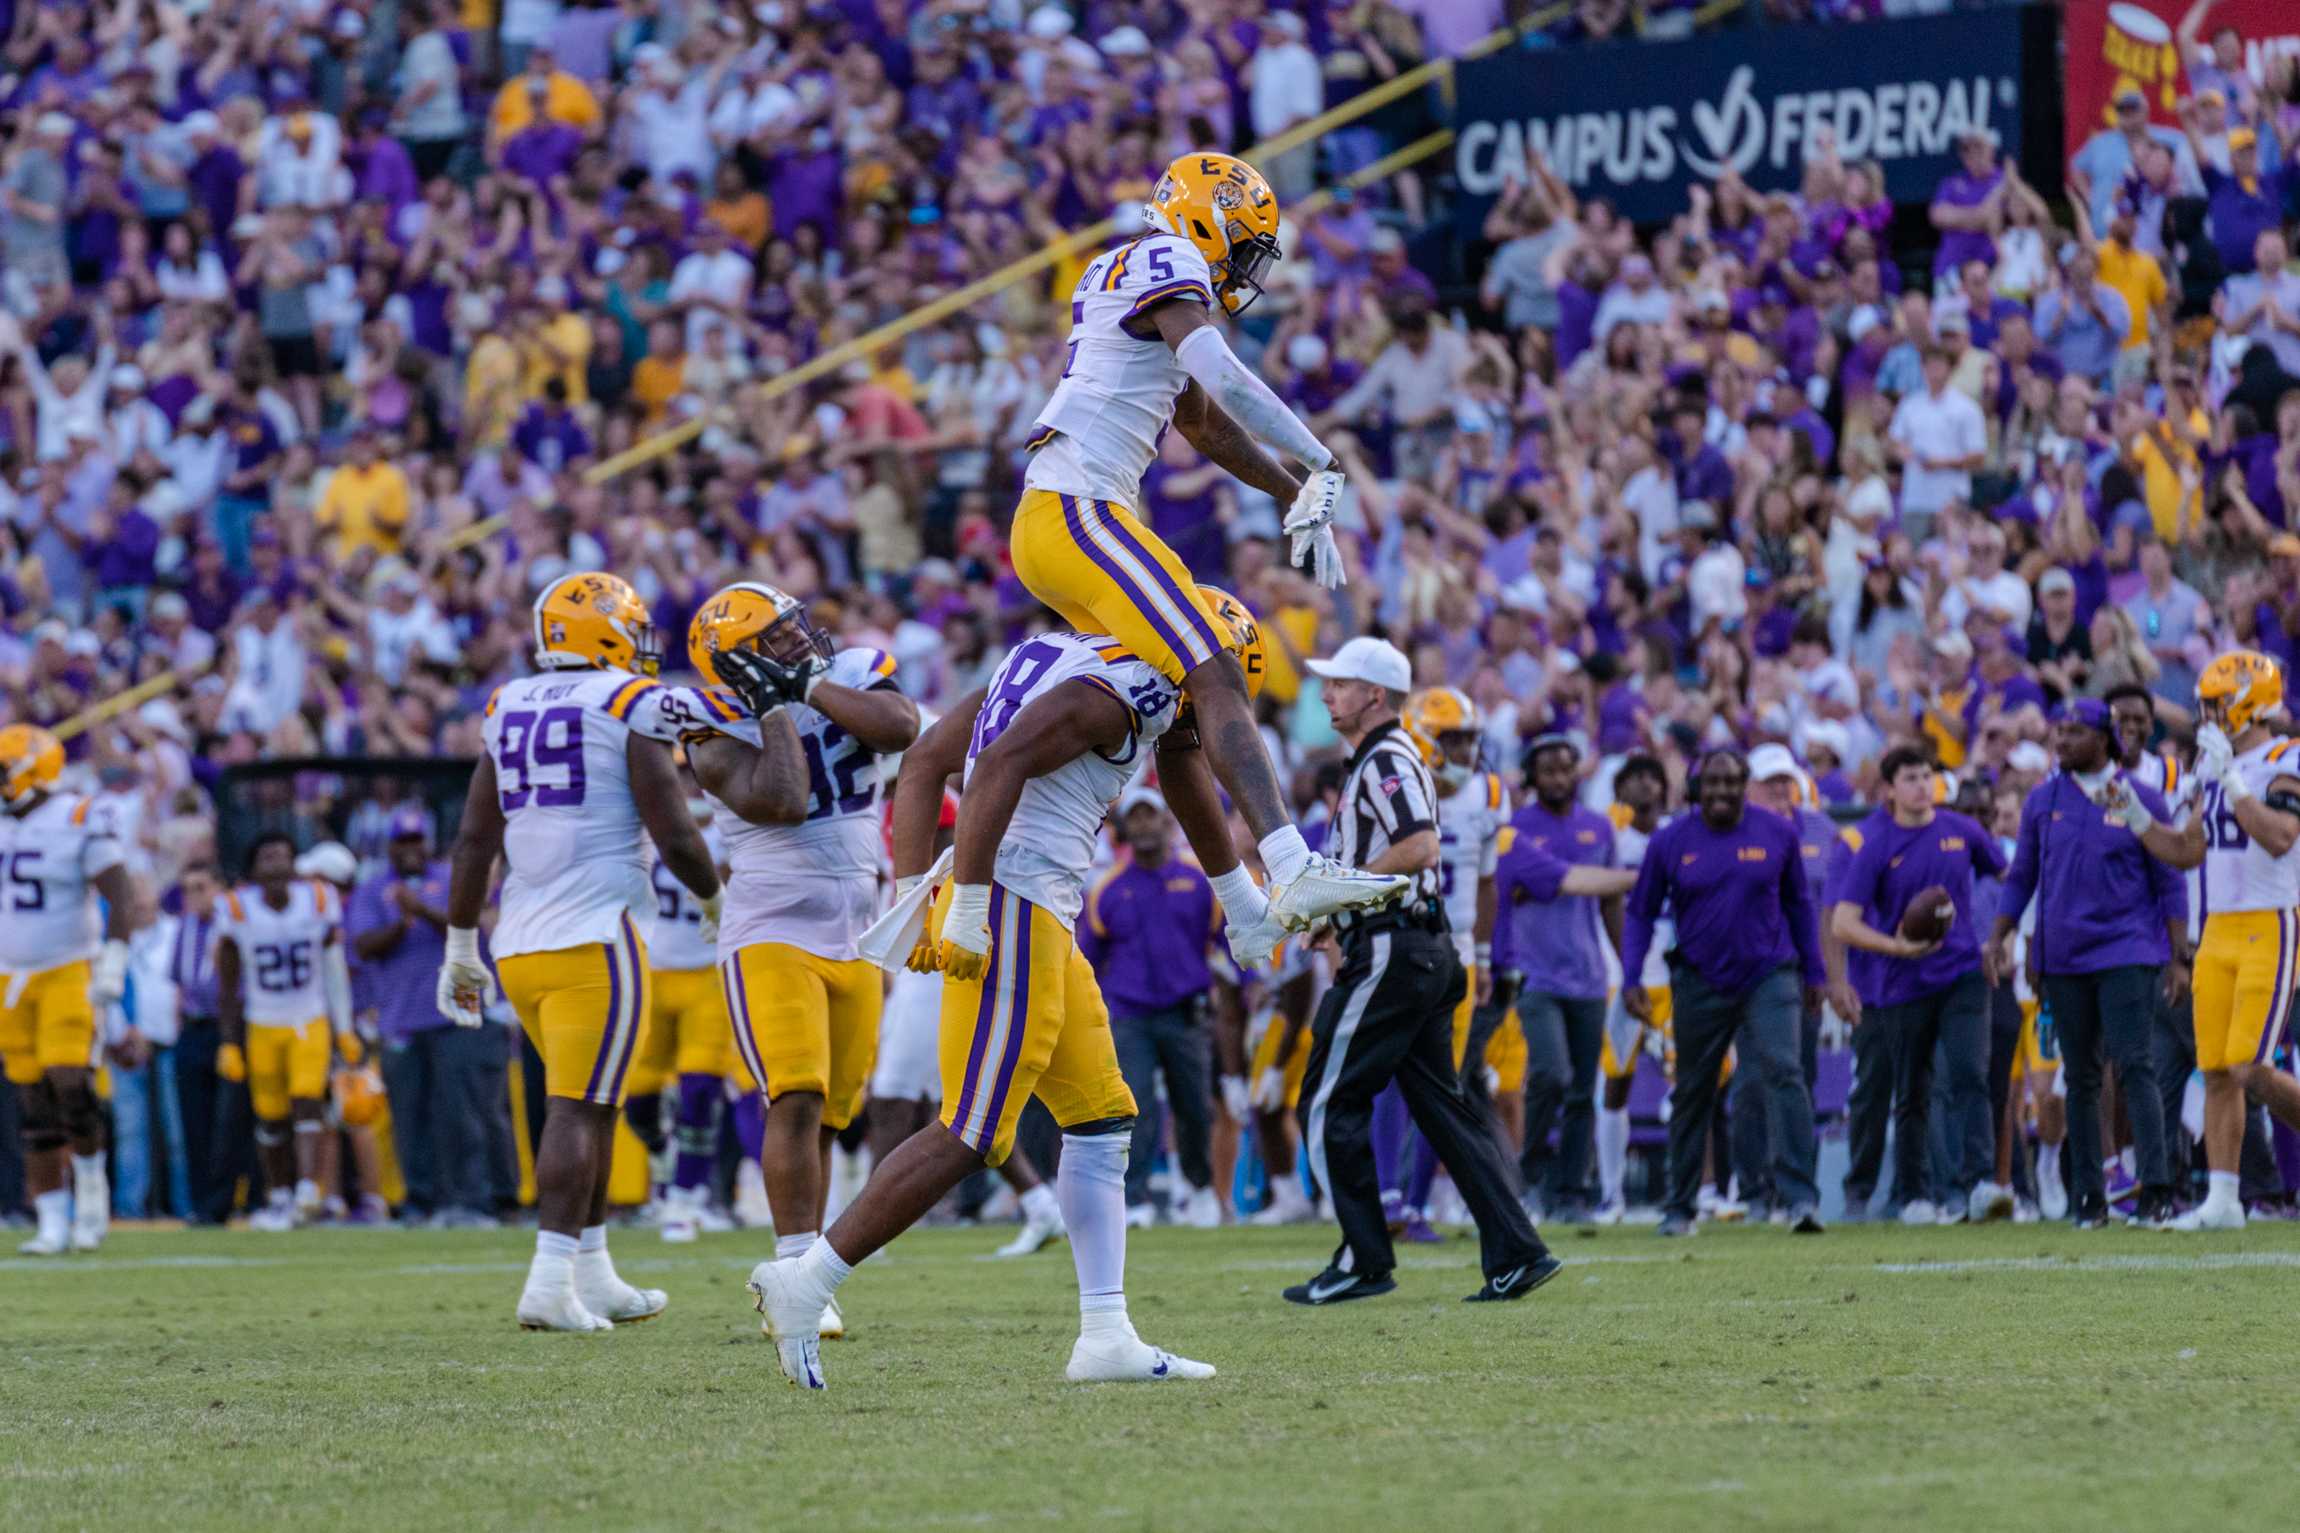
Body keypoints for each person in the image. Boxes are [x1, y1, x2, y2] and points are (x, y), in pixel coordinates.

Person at [749, 604, 1265, 1389]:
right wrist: (961, 900)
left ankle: (1106, 1330)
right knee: (972, 1130)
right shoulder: (1125, 686)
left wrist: (912, 889)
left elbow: (924, 761)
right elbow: (994, 768)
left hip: (1032, 902)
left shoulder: (1059, 653)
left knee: (1100, 1116)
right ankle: (806, 1280)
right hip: (1013, 901)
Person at [1009, 151, 1405, 940]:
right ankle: (1291, 864)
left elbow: (1203, 420)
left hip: (1068, 516)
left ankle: (1246, 910)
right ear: (1207, 215)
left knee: (1182, 709)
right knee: (1216, 662)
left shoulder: (1137, 275)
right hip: (1077, 510)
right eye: (1245, 243)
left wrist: (1293, 492)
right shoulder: (1166, 256)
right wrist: (1320, 456)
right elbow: (1217, 371)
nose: (1245, 266)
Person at [438, 572, 724, 1331]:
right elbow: (674, 829)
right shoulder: (624, 701)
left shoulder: (506, 703)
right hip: (595, 937)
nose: (639, 645)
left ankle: (592, 1273)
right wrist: (714, 897)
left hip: (520, 943)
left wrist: (459, 941)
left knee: (591, 1104)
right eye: (629, 629)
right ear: (601, 631)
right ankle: (548, 1277)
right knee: (578, 1107)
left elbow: (473, 839)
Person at [1280, 637, 1558, 1307]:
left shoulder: (1385, 758)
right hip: (1418, 945)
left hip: (1393, 950)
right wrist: (1333, 912)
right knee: (1444, 1107)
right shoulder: (1382, 758)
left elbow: (1418, 846)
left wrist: (1338, 891)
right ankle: (1518, 1249)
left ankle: (1363, 1256)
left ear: (1374, 694)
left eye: (1340, 683)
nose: (1326, 695)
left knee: (1325, 1097)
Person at [683, 580, 920, 1335]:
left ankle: (809, 1269)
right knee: (796, 1092)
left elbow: (900, 727)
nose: (798, 639)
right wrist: (774, 707)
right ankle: (795, 1268)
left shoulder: (846, 669)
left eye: (794, 627)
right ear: (738, 661)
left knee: (830, 1112)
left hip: (856, 927)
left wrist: (810, 682)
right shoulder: (708, 721)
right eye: (777, 638)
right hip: (770, 926)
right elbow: (781, 798)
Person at [1988, 699, 2186, 1228]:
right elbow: (2024, 875)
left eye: (2074, 732)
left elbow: (2169, 880)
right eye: (2059, 731)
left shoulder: (2139, 797)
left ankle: (2156, 1187)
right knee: (2079, 1077)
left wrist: (2179, 956)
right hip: (2065, 957)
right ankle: (2089, 1198)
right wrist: (2002, 937)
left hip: (2128, 949)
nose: (2062, 741)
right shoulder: (2041, 800)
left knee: (2134, 1064)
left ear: (2105, 738)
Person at [1620, 748, 1827, 1238]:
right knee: (1694, 1088)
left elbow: (1800, 904)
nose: (1721, 792)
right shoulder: (1671, 841)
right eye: (1711, 784)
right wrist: (1631, 976)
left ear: (1744, 785)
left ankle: (1800, 1199)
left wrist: (1815, 973)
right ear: (1696, 789)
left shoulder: (1777, 833)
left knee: (1785, 1070)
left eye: (1731, 782)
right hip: (1698, 976)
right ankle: (1681, 1205)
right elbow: (1640, 912)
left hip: (1769, 972)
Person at [1829, 747, 2011, 1225]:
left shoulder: (1962, 830)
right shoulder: (1875, 845)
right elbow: (1843, 923)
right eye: (1909, 777)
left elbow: (2010, 877)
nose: (1920, 785)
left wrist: (2000, 937)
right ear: (1889, 788)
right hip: (1902, 983)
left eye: (1926, 775)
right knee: (1911, 1090)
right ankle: (1915, 1194)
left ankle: (1980, 1184)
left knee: (1971, 1073)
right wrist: (1896, 947)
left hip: (1962, 974)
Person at [2165, 653, 2300, 1230]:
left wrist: (2233, 779)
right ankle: (2223, 1200)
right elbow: (2190, 849)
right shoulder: (2218, 762)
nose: (2207, 715)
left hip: (2270, 920)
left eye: (2217, 705)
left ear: (2248, 703)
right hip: (2217, 924)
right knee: (2218, 1069)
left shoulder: (2284, 757)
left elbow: (2279, 836)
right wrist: (2142, 823)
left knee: (2251, 1066)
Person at [0, 724, 131, 1254]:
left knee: (71, 1085)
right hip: (9, 975)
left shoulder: (79, 815)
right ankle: (51, 1217)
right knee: (30, 1097)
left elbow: (120, 895)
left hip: (66, 968)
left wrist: (113, 966)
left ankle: (93, 1200)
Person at [1387, 687, 1512, 1237]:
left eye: (1467, 741)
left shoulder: (1486, 793)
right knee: (1392, 1073)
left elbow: (1486, 882)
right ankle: (1388, 1195)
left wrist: (1482, 956)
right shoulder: (1398, 782)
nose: (1464, 752)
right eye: (1453, 740)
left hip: (1457, 943)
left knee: (1444, 1080)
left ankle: (1414, 1204)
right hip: (1403, 936)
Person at [1494, 732, 1633, 1221]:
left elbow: (1611, 900)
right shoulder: (1515, 829)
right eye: (1548, 770)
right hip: (1534, 975)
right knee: (1550, 1075)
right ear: (1532, 777)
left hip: (1590, 976)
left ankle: (1570, 1192)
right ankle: (1528, 1177)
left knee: (1582, 1091)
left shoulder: (1599, 829)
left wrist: (1629, 968)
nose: (1558, 778)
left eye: (1565, 768)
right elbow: (1498, 895)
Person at [1078, 788, 1227, 1229]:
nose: (1144, 826)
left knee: (1195, 1106)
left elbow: (1227, 944)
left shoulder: (1199, 882)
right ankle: (1137, 1196)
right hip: (1128, 1014)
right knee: (1134, 1105)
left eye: (1151, 817)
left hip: (1186, 1011)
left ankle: (1200, 1187)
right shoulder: (1107, 889)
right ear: (1124, 828)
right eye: (1135, 818)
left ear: (1167, 822)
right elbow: (1087, 958)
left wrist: (1251, 987)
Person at [351, 808, 494, 1228]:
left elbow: (469, 927)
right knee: (410, 1117)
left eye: (417, 841)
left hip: (456, 1013)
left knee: (461, 1112)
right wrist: (401, 923)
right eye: (403, 842)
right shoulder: (372, 889)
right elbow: (363, 946)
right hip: (401, 1018)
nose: (411, 850)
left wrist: (421, 909)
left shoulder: (452, 878)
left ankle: (470, 1199)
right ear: (391, 846)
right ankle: (420, 1200)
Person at [214, 832, 354, 1232]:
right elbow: (228, 983)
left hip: (308, 1019)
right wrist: (229, 1042)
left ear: (295, 865)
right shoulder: (236, 908)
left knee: (307, 1101)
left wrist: (343, 1028)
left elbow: (333, 968)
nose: (275, 864)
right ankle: (279, 1197)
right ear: (254, 869)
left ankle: (308, 1194)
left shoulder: (319, 900)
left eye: (282, 856)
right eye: (267, 856)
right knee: (272, 1118)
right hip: (262, 1023)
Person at [622, 797, 736, 1244]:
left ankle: (685, 1199)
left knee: (700, 1089)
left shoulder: (730, 831)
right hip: (651, 972)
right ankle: (664, 1162)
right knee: (638, 1100)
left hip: (706, 974)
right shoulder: (640, 828)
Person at [1595, 754, 1669, 1223]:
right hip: (1619, 974)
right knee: (1615, 1083)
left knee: (1692, 1084)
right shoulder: (1608, 835)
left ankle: (1703, 1190)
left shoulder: (1678, 834)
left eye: (1650, 776)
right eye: (1633, 778)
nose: (1643, 785)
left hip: (1673, 972)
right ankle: (1611, 1192)